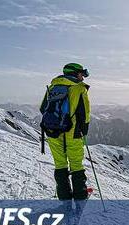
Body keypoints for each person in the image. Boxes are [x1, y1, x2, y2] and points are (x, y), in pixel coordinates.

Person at [39, 63, 91, 202]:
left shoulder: (53, 86)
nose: (83, 77)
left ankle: (64, 197)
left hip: (52, 131)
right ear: (75, 73)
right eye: (81, 74)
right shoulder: (80, 89)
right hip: (72, 133)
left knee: (60, 164)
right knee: (76, 165)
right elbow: (85, 114)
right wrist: (83, 131)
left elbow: (43, 108)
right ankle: (80, 197)